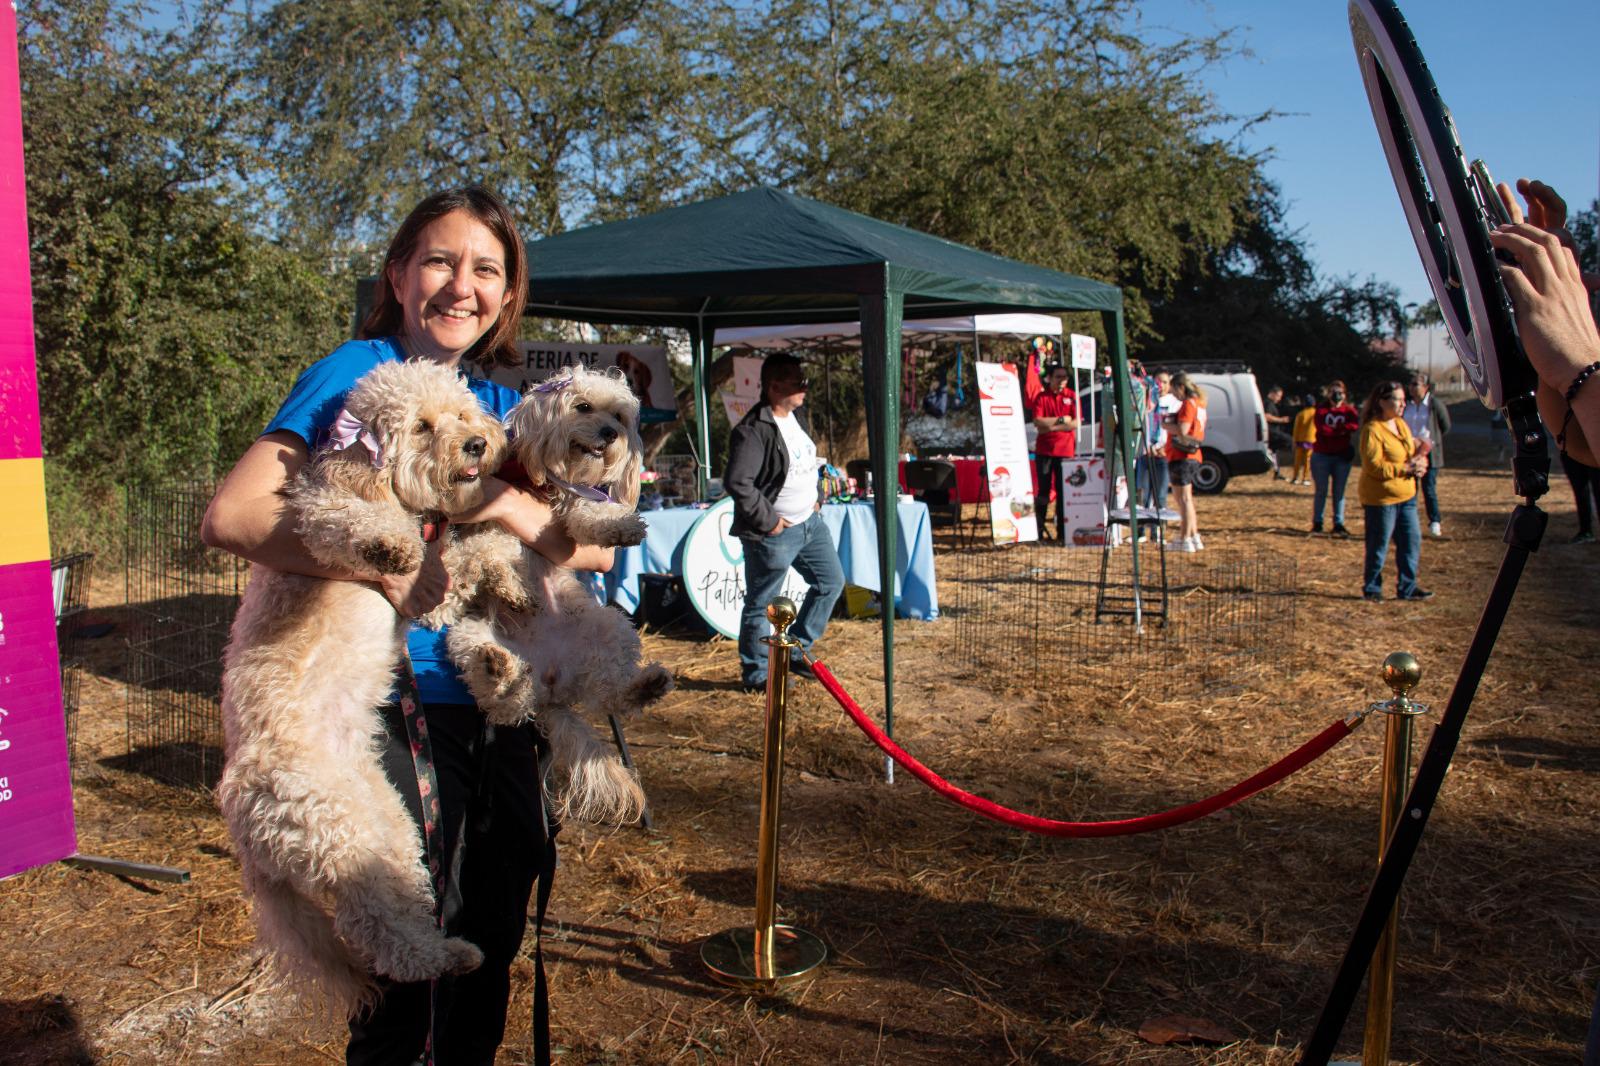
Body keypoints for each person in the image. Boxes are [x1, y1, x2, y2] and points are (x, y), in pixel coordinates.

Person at [201, 186, 615, 1065]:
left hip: (497, 702)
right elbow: (234, 516)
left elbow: (586, 554)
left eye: (486, 270)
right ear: (397, 274)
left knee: (491, 940)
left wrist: (503, 497)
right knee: (411, 983)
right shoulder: (358, 371)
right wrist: (390, 569)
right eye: (439, 260)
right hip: (397, 703)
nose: (461, 286)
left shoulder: (485, 406)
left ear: (508, 297)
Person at [724, 353, 846, 692]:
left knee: (831, 582)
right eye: (798, 382)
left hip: (810, 524)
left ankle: (797, 649)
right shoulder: (752, 430)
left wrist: (817, 496)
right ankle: (757, 674)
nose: (805, 387)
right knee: (762, 604)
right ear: (775, 386)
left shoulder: (797, 416)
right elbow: (738, 482)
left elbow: (806, 462)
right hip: (774, 533)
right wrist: (769, 521)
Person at [1356, 381, 1432, 602]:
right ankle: (1372, 589)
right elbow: (1374, 466)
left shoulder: (1400, 424)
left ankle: (1407, 587)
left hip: (1406, 495)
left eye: (1403, 399)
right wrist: (1406, 468)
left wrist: (1420, 462)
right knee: (1378, 545)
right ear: (1381, 402)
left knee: (1411, 542)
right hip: (1381, 499)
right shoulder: (1372, 430)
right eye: (1397, 399)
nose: (1403, 403)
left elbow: (1410, 452)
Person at [1023, 355, 1081, 539]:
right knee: (1043, 492)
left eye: (1065, 377)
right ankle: (1038, 531)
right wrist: (1061, 421)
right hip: (1045, 451)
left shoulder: (1072, 396)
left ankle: (1062, 534)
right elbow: (1038, 422)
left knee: (1064, 492)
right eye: (1058, 377)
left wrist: (1051, 426)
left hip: (1066, 452)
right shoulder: (1042, 397)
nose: (1062, 380)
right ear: (1050, 378)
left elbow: (1075, 423)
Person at [1403, 374, 1452, 537]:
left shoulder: (1434, 405)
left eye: (1415, 384)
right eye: (1410, 384)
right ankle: (1409, 521)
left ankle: (1435, 521)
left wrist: (1430, 443)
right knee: (1410, 488)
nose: (1412, 387)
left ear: (1426, 387)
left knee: (1428, 488)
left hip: (1429, 453)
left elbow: (1445, 426)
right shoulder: (1406, 405)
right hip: (1409, 453)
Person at [1310, 380, 1360, 536]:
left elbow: (1354, 426)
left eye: (1340, 392)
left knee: (1339, 491)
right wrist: (1341, 431)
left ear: (1345, 395)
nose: (1337, 395)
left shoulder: (1349, 411)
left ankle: (1339, 523)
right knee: (1321, 490)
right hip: (1322, 455)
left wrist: (1338, 430)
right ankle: (1318, 522)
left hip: (1341, 456)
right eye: (1333, 392)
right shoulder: (1321, 410)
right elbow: (1323, 429)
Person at [1164, 372, 1207, 552]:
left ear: (1181, 387)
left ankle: (1185, 538)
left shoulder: (1188, 404)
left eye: (1174, 390)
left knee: (1183, 500)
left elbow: (1182, 430)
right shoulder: (1199, 403)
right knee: (1187, 499)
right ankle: (1193, 536)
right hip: (1192, 456)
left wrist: (1165, 425)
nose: (1173, 395)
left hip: (1182, 456)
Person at [1140, 370, 1176, 520]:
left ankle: (1158, 530)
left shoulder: (1174, 402)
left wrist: (1162, 446)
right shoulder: (1146, 401)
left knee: (1160, 496)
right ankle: (1141, 531)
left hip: (1163, 454)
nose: (1161, 386)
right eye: (1158, 382)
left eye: (1165, 382)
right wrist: (1146, 446)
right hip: (1146, 454)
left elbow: (1173, 428)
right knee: (1143, 495)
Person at [1263, 385, 1293, 479]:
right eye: (1279, 396)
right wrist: (1281, 420)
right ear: (1273, 394)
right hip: (1271, 431)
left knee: (1274, 452)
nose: (1279, 399)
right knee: (1289, 440)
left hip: (1272, 431)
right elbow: (1267, 416)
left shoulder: (1270, 404)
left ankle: (1277, 472)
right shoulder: (1268, 403)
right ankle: (1267, 458)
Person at [1291, 393, 1317, 485]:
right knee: (1307, 460)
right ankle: (1305, 478)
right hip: (1311, 439)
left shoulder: (1300, 414)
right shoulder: (1316, 413)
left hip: (1300, 440)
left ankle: (1295, 477)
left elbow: (1296, 428)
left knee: (1297, 460)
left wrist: (1294, 439)